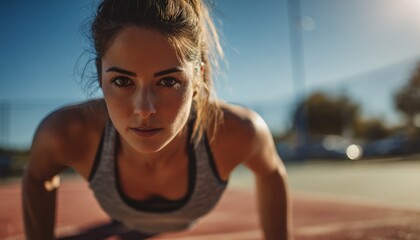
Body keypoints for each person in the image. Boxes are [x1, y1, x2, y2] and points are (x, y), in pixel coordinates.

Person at [22, 0, 293, 239]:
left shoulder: (238, 131)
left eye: (167, 81)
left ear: (197, 77)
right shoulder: (65, 133)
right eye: (122, 80)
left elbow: (271, 172)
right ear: (100, 73)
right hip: (123, 219)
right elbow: (37, 176)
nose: (144, 109)